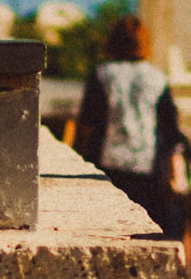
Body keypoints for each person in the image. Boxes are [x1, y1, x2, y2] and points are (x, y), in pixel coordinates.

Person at [75, 14, 191, 254]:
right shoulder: (157, 78)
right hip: (149, 172)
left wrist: (79, 163)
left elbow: (87, 125)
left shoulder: (101, 75)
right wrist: (176, 173)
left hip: (107, 169)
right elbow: (171, 133)